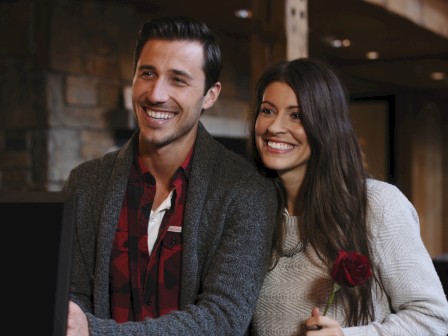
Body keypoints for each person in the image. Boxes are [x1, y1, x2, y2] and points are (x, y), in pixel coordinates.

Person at [64, 16, 277, 336]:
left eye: (178, 80)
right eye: (147, 73)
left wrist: (97, 332)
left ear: (210, 95)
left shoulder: (246, 190)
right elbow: (70, 299)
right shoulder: (85, 183)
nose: (156, 94)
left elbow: (223, 317)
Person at [246, 57, 448, 335]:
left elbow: (433, 318)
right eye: (268, 111)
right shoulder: (249, 211)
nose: (274, 127)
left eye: (296, 115)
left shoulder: (377, 205)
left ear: (326, 125)